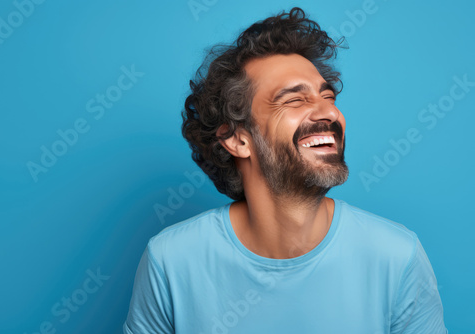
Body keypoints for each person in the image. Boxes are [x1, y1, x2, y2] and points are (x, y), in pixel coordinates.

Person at [123, 7, 447, 334]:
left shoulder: (397, 256)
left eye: (328, 96)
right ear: (237, 139)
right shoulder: (170, 262)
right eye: (294, 100)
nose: (329, 112)